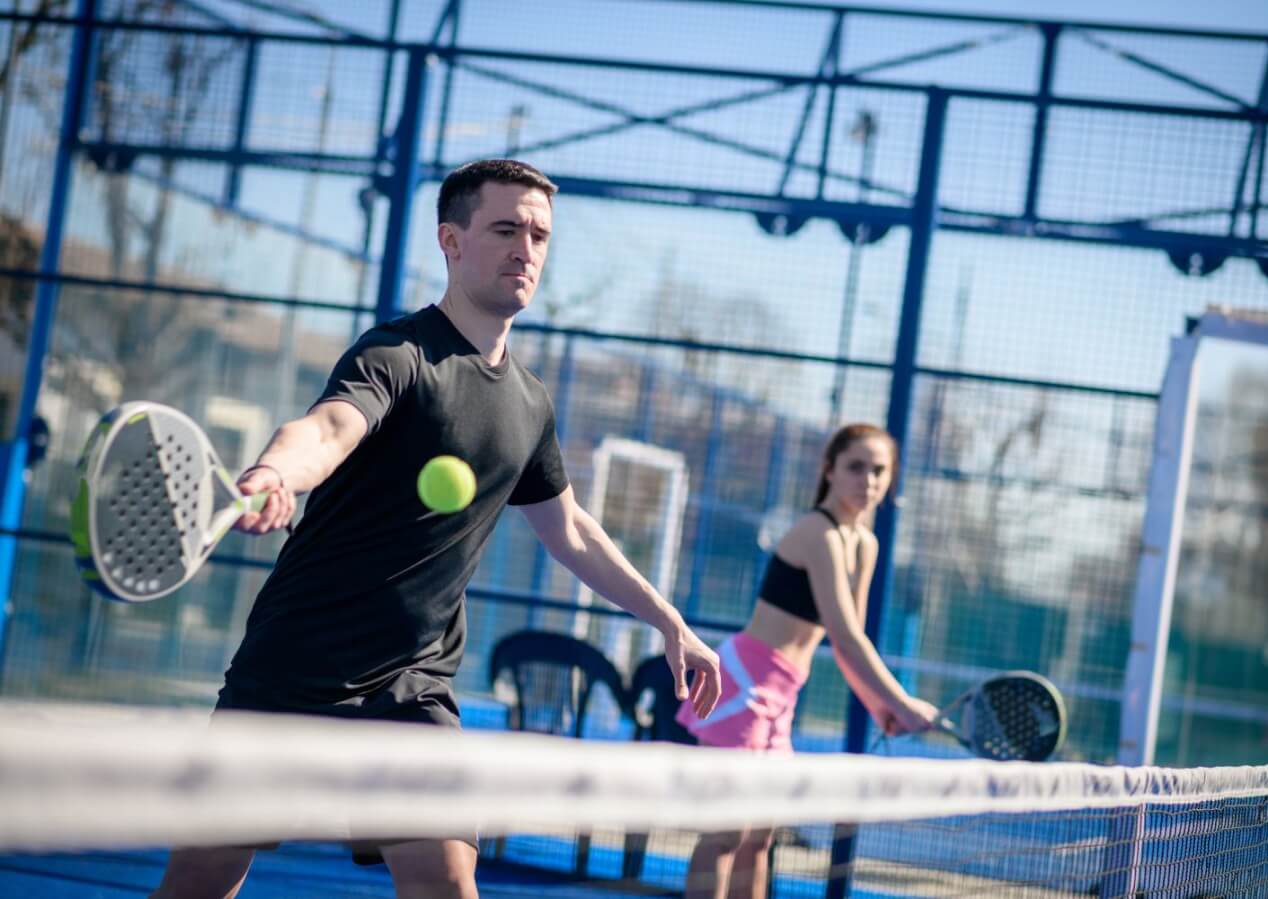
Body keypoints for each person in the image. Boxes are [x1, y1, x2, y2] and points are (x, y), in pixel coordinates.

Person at [151, 159, 721, 899]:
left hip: (411, 686)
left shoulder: (529, 403)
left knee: (449, 878)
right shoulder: (397, 353)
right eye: (506, 228)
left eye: (540, 235)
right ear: (451, 241)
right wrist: (275, 473)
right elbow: (327, 428)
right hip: (292, 666)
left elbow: (570, 529)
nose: (526, 249)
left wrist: (667, 619)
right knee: (198, 884)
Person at [675, 423, 937, 899]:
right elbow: (844, 633)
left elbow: (848, 645)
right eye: (856, 467)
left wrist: (880, 707)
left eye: (879, 471)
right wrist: (902, 702)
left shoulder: (866, 544)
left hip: (783, 693)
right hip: (741, 684)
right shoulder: (819, 532)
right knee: (724, 834)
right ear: (830, 470)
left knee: (760, 839)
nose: (868, 480)